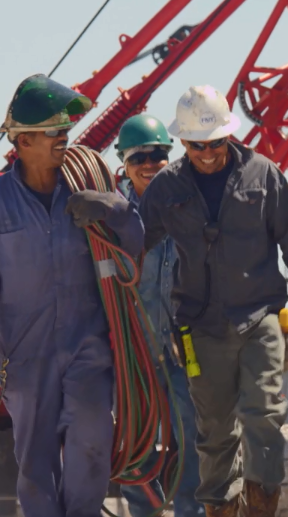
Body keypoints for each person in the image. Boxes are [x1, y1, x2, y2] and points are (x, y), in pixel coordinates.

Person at [0, 74, 145, 517]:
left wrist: (113, 209)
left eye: (65, 129)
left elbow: (134, 243)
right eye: (54, 131)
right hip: (25, 357)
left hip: (88, 348)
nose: (65, 138)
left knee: (92, 448)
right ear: (22, 141)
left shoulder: (88, 187)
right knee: (36, 469)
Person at [138, 85, 288, 517]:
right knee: (214, 430)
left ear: (230, 135)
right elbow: (133, 241)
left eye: (215, 143)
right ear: (183, 143)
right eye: (196, 145)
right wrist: (109, 217)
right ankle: (220, 509)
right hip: (199, 328)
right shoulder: (167, 187)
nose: (207, 154)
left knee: (264, 413)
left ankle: (262, 506)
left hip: (259, 316)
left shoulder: (262, 174)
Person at [113, 113, 204, 517]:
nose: (149, 164)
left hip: (186, 351)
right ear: (123, 163)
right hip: (135, 357)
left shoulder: (191, 204)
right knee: (140, 447)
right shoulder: (111, 217)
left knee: (194, 441)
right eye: (139, 158)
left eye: (157, 155)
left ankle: (191, 512)